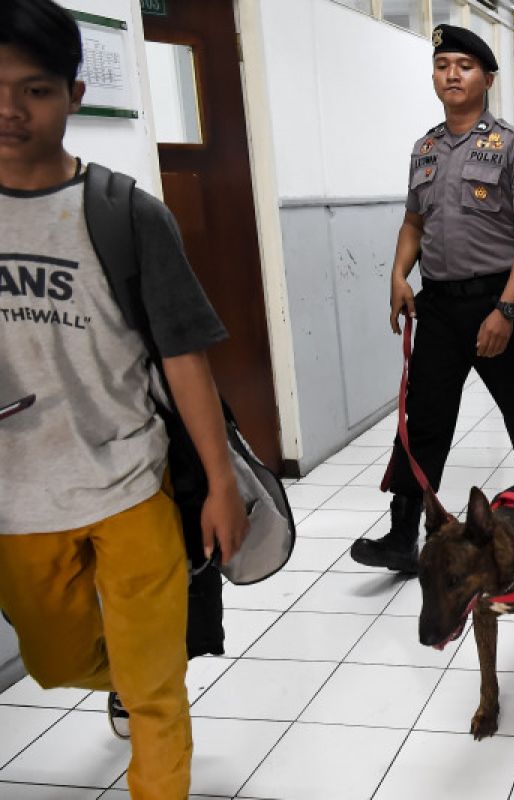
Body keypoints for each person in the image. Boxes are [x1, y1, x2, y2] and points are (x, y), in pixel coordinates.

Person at [0, 1, 248, 795]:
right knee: (52, 660)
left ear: (73, 94)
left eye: (33, 89)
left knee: (156, 696)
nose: (10, 110)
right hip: (19, 497)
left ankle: (147, 676)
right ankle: (134, 666)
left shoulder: (126, 215)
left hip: (129, 484)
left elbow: (184, 362)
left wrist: (220, 482)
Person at [350, 25, 514, 571]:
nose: (452, 75)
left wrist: (507, 311)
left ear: (487, 78)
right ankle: (401, 535)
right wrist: (399, 275)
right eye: (443, 65)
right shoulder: (425, 148)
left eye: (464, 65)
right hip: (438, 307)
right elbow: (413, 223)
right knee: (424, 421)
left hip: (498, 302)